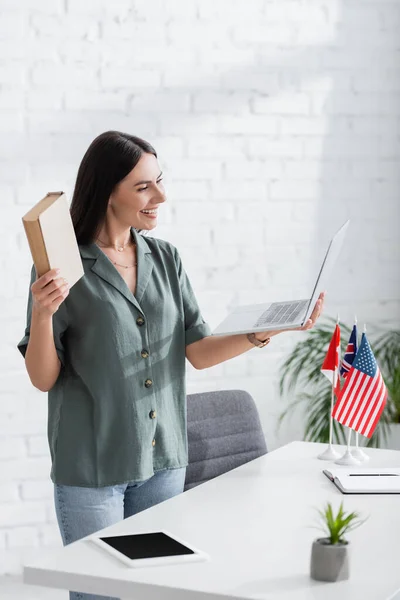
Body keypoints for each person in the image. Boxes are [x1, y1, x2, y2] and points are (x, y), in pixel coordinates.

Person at [17, 130, 325, 600]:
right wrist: (42, 314)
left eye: (159, 181)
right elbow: (43, 378)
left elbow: (197, 350)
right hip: (92, 470)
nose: (160, 196)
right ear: (107, 191)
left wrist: (265, 331)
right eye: (144, 187)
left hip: (163, 461)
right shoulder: (63, 267)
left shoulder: (165, 258)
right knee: (100, 596)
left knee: (157, 592)